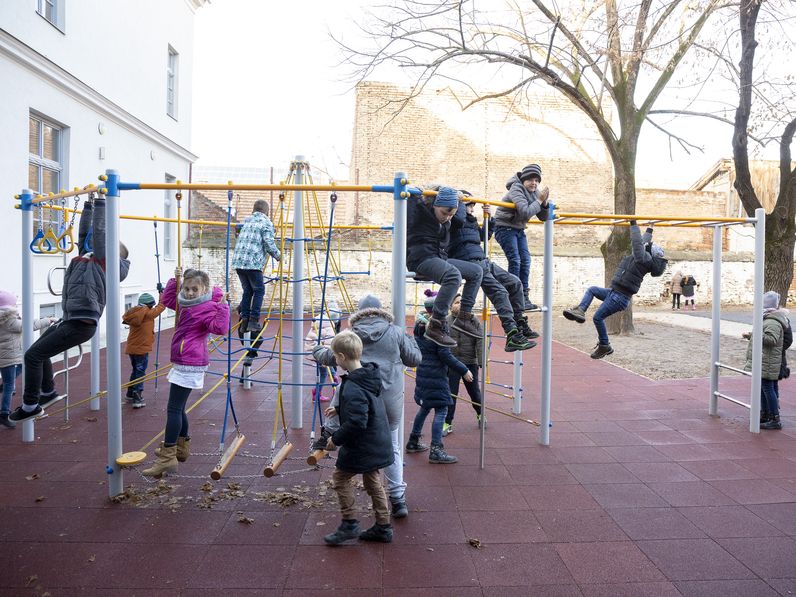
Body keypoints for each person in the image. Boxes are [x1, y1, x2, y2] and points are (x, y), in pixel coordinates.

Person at [10, 197, 131, 422]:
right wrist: (88, 207)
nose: (93, 243)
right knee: (37, 351)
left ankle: (30, 406)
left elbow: (100, 232)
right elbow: (86, 235)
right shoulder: (86, 257)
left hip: (81, 324)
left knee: (33, 355)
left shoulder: (106, 263)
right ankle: (48, 392)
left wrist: (102, 206)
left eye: (100, 244)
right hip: (71, 319)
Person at [312, 294, 422, 519]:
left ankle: (328, 436)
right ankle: (397, 498)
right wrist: (409, 340)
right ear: (381, 311)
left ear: (359, 313)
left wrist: (316, 350)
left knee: (347, 410)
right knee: (392, 446)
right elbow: (414, 359)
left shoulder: (351, 335)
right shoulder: (395, 332)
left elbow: (332, 356)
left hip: (358, 400)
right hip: (388, 400)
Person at [143, 267, 230, 478]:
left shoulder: (206, 307)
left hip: (190, 361)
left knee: (173, 409)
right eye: (187, 288)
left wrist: (223, 307)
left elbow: (219, 328)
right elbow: (168, 299)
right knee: (179, 409)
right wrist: (175, 279)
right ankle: (180, 448)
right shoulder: (184, 303)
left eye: (194, 289)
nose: (190, 293)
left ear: (204, 289)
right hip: (184, 360)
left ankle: (167, 457)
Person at [322, 330, 394, 546]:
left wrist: (335, 440)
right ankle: (383, 526)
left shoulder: (353, 385)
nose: (335, 359)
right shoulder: (369, 375)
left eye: (335, 356)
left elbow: (356, 422)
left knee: (340, 478)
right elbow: (365, 406)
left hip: (362, 444)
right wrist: (341, 408)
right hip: (377, 440)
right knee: (372, 479)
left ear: (342, 357)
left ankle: (349, 523)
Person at [562, 221, 666, 359]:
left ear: (649, 253)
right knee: (592, 290)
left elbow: (638, 243)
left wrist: (633, 224)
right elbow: (642, 242)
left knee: (598, 318)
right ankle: (580, 310)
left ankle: (605, 345)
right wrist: (650, 228)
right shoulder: (644, 257)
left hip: (619, 297)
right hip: (614, 292)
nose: (646, 245)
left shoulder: (643, 258)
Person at [449, 194, 537, 352]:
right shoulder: (452, 221)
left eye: (472, 206)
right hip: (470, 262)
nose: (471, 209)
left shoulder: (471, 221)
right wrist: (460, 203)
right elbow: (457, 222)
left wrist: (489, 219)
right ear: (459, 207)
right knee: (500, 292)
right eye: (469, 206)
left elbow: (484, 237)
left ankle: (520, 323)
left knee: (515, 283)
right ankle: (511, 334)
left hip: (483, 260)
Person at [407, 185, 483, 347]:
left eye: (451, 214)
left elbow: (459, 219)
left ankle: (463, 317)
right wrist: (412, 192)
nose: (447, 217)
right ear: (434, 205)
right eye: (444, 213)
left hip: (438, 258)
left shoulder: (448, 219)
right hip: (421, 259)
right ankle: (437, 323)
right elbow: (410, 205)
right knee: (453, 275)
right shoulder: (421, 214)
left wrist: (460, 202)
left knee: (476, 271)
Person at [406, 312, 471, 464]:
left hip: (423, 375)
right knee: (441, 409)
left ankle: (413, 441)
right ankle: (436, 449)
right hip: (436, 377)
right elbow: (445, 355)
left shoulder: (420, 327)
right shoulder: (437, 330)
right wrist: (464, 370)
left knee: (425, 408)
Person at [493, 163, 550, 310]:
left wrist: (544, 204)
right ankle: (514, 297)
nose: (534, 183)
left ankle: (523, 297)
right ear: (524, 180)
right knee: (516, 260)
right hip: (504, 227)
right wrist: (539, 201)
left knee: (526, 260)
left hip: (517, 229)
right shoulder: (516, 188)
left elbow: (543, 217)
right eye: (531, 179)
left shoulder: (536, 192)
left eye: (537, 180)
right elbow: (525, 211)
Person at [0, 291, 54, 428]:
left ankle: (4, 384)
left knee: (21, 368)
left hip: (6, 357)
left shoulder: (6, 319)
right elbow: (28, 326)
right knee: (9, 387)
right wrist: (47, 320)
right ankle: (4, 413)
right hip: (9, 358)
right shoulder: (9, 321)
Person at [232, 200, 281, 334]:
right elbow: (268, 243)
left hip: (238, 262)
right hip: (252, 263)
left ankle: (245, 321)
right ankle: (254, 321)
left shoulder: (246, 221)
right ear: (267, 212)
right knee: (259, 290)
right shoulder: (266, 223)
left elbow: (239, 236)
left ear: (253, 210)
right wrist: (278, 255)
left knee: (248, 291)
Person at [744, 291, 791, 430]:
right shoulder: (770, 319)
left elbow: (771, 340)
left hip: (768, 361)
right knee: (765, 387)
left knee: (767, 388)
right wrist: (752, 335)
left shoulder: (772, 321)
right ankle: (766, 414)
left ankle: (774, 417)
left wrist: (757, 333)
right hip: (767, 360)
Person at [445, 294, 484, 436]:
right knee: (451, 394)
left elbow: (480, 340)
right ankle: (448, 422)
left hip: (469, 362)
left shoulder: (473, 321)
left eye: (462, 302)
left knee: (474, 392)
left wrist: (481, 360)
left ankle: (480, 413)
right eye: (456, 302)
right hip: (453, 362)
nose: (460, 304)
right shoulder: (447, 321)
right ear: (451, 306)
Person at [122, 292, 166, 409]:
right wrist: (162, 294)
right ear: (149, 305)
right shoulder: (147, 313)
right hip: (141, 349)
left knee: (136, 370)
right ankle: (137, 397)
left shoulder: (134, 312)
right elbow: (161, 306)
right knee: (140, 372)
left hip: (132, 348)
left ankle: (130, 393)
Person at [305, 306, 339, 403]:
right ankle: (317, 394)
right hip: (321, 354)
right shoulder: (327, 328)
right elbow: (329, 344)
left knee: (330, 369)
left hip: (317, 352)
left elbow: (310, 341)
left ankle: (334, 381)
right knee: (323, 373)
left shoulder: (316, 325)